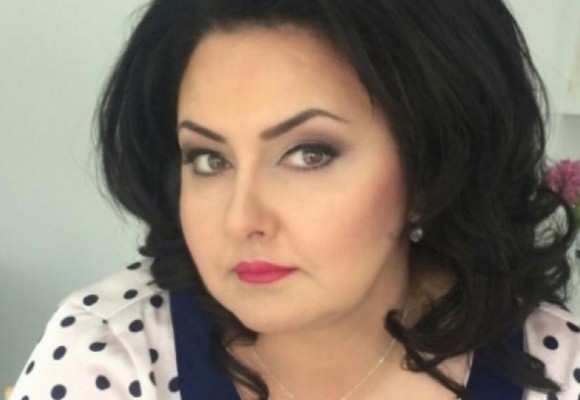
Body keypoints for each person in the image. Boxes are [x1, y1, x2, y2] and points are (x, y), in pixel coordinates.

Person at [9, 0, 580, 399]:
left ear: (432, 170)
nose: (241, 219)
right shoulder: (109, 351)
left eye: (309, 154)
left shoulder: (556, 368)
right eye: (208, 158)